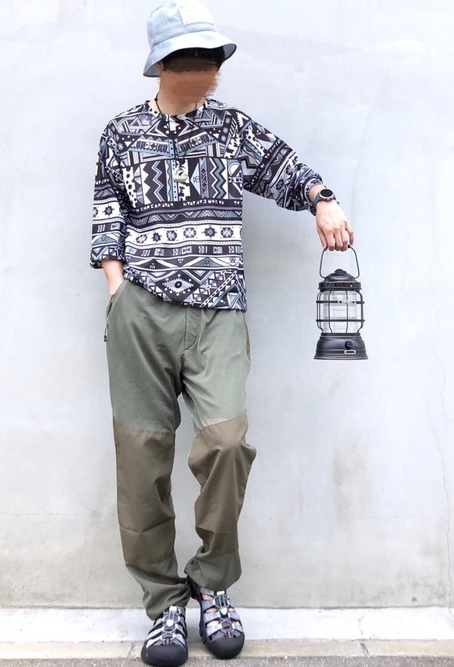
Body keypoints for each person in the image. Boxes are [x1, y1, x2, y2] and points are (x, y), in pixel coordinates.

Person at [91, 2, 353, 665]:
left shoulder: (232, 129)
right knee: (141, 462)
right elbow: (106, 216)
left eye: (212, 58)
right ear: (165, 65)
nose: (209, 70)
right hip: (141, 315)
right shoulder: (121, 133)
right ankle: (162, 605)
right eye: (196, 58)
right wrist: (118, 292)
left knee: (227, 444)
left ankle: (212, 584)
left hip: (218, 314)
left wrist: (323, 200)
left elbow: (286, 169)